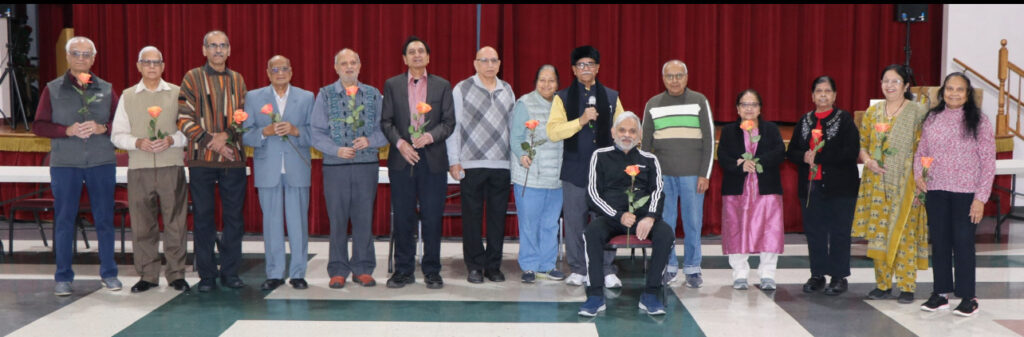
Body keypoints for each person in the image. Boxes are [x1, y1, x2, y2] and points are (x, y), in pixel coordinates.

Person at [33, 36, 122, 296]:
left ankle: (109, 273)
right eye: (76, 53)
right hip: (65, 164)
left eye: (86, 54)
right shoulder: (52, 89)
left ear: (94, 58)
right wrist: (66, 130)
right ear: (68, 57)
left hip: (101, 162)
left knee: (105, 220)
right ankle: (62, 277)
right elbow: (39, 125)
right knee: (64, 220)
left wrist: (103, 127)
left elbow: (122, 125)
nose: (81, 58)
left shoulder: (106, 89)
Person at [110, 46, 190, 293]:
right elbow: (116, 135)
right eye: (147, 62)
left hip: (171, 166)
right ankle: (148, 274)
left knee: (175, 223)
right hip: (140, 168)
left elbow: (188, 131)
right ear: (138, 66)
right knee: (143, 225)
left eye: (157, 62)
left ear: (164, 66)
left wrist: (171, 140)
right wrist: (137, 142)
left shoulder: (178, 93)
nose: (152, 66)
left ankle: (176, 274)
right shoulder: (128, 96)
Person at [577, 111, 672, 317]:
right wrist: (618, 215)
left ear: (639, 136)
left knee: (666, 234)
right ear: (613, 132)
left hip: (643, 218)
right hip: (611, 218)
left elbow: (657, 191)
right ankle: (595, 296)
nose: (626, 135)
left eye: (632, 131)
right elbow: (592, 194)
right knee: (591, 232)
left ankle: (650, 294)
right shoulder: (599, 156)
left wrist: (650, 217)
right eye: (622, 130)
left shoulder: (650, 159)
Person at [380, 36, 456, 290]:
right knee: (403, 218)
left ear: (428, 57)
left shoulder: (442, 86)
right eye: (411, 52)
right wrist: (401, 144)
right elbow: (386, 122)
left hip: (432, 161)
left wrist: (430, 136)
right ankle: (403, 270)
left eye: (421, 51)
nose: (416, 55)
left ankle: (432, 270)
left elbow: (449, 122)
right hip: (402, 161)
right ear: (404, 59)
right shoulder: (392, 85)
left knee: (433, 217)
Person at [916, 72, 994, 316]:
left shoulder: (979, 120)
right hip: (937, 190)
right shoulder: (932, 118)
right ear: (943, 92)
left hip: (966, 192)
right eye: (949, 89)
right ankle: (940, 294)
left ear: (967, 93)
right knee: (939, 243)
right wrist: (919, 175)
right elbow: (921, 152)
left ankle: (968, 297)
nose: (954, 93)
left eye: (960, 89)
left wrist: (980, 198)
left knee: (963, 244)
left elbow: (988, 162)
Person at [177, 30, 248, 292]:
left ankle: (230, 272)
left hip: (234, 160)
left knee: (234, 219)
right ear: (204, 50)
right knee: (204, 218)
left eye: (223, 46)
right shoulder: (192, 78)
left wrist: (226, 138)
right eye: (213, 46)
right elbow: (183, 118)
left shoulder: (238, 79)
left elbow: (243, 117)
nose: (218, 50)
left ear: (229, 50)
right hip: (201, 160)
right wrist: (212, 141)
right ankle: (206, 275)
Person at [547, 45, 624, 288]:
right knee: (574, 222)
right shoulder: (562, 98)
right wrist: (580, 121)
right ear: (573, 69)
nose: (586, 69)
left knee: (606, 220)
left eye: (590, 64)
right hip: (575, 170)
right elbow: (553, 131)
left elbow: (624, 128)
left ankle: (606, 268)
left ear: (598, 68)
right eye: (581, 65)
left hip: (606, 173)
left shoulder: (612, 97)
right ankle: (579, 268)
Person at [852, 64, 930, 304]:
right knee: (879, 234)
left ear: (906, 85)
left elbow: (927, 149)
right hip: (877, 183)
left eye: (895, 81)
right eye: (885, 80)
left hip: (907, 184)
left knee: (905, 235)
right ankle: (883, 285)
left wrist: (921, 180)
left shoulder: (918, 112)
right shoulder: (873, 112)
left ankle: (907, 286)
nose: (889, 85)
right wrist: (868, 160)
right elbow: (862, 144)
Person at [311, 48, 386, 289]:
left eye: (353, 62)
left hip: (366, 165)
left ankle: (363, 268)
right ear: (336, 68)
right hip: (336, 167)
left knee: (364, 218)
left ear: (360, 66)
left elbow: (385, 129)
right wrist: (335, 150)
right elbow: (316, 133)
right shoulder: (324, 95)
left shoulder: (374, 95)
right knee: (338, 219)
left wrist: (370, 141)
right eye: (344, 63)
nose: (349, 67)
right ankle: (338, 269)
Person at [639, 60, 714, 287]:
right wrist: (648, 177)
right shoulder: (653, 104)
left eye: (679, 75)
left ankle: (692, 268)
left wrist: (705, 174)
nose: (675, 80)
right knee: (666, 223)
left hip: (693, 176)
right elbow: (645, 145)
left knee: (693, 222)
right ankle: (669, 266)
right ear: (663, 79)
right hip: (663, 178)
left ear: (687, 77)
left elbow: (709, 140)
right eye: (670, 76)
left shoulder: (699, 101)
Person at [242, 55, 314, 291]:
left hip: (297, 167)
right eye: (275, 69)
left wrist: (295, 130)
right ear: (268, 72)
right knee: (271, 224)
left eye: (284, 68)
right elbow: (244, 134)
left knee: (298, 223)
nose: (280, 72)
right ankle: (273, 273)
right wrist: (265, 131)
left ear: (291, 72)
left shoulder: (306, 97)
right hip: (267, 168)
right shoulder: (254, 97)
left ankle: (298, 273)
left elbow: (316, 134)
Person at [785, 76, 860, 296]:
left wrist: (819, 156)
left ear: (835, 95)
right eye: (819, 91)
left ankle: (838, 276)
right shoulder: (805, 120)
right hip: (811, 188)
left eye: (828, 91)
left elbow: (850, 152)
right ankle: (817, 274)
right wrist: (805, 156)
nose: (823, 95)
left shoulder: (844, 119)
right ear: (812, 96)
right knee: (815, 232)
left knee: (839, 232)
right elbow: (792, 152)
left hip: (841, 187)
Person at [447, 46, 516, 284]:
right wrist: (454, 161)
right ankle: (475, 266)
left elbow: (513, 129)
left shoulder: (507, 89)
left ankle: (493, 266)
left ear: (499, 63)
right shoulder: (462, 88)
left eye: (494, 60)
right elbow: (453, 127)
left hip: (501, 164)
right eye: (484, 60)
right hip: (471, 164)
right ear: (475, 63)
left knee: (498, 218)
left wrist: (514, 162)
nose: (489, 65)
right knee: (472, 217)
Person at [716, 89, 785, 291]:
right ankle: (740, 274)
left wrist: (756, 161)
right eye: (744, 105)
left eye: (753, 104)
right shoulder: (729, 131)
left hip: (767, 190)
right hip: (737, 190)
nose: (749, 108)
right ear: (738, 109)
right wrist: (740, 165)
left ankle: (767, 274)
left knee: (769, 231)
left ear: (760, 108)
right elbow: (723, 156)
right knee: (737, 230)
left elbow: (780, 152)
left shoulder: (770, 129)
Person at [510, 64, 565, 283]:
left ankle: (547, 265)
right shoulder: (525, 103)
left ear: (558, 84)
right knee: (529, 222)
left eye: (551, 80)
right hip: (530, 175)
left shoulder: (562, 104)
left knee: (550, 223)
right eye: (542, 80)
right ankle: (530, 266)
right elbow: (515, 137)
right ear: (536, 82)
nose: (547, 84)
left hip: (557, 176)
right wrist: (522, 155)